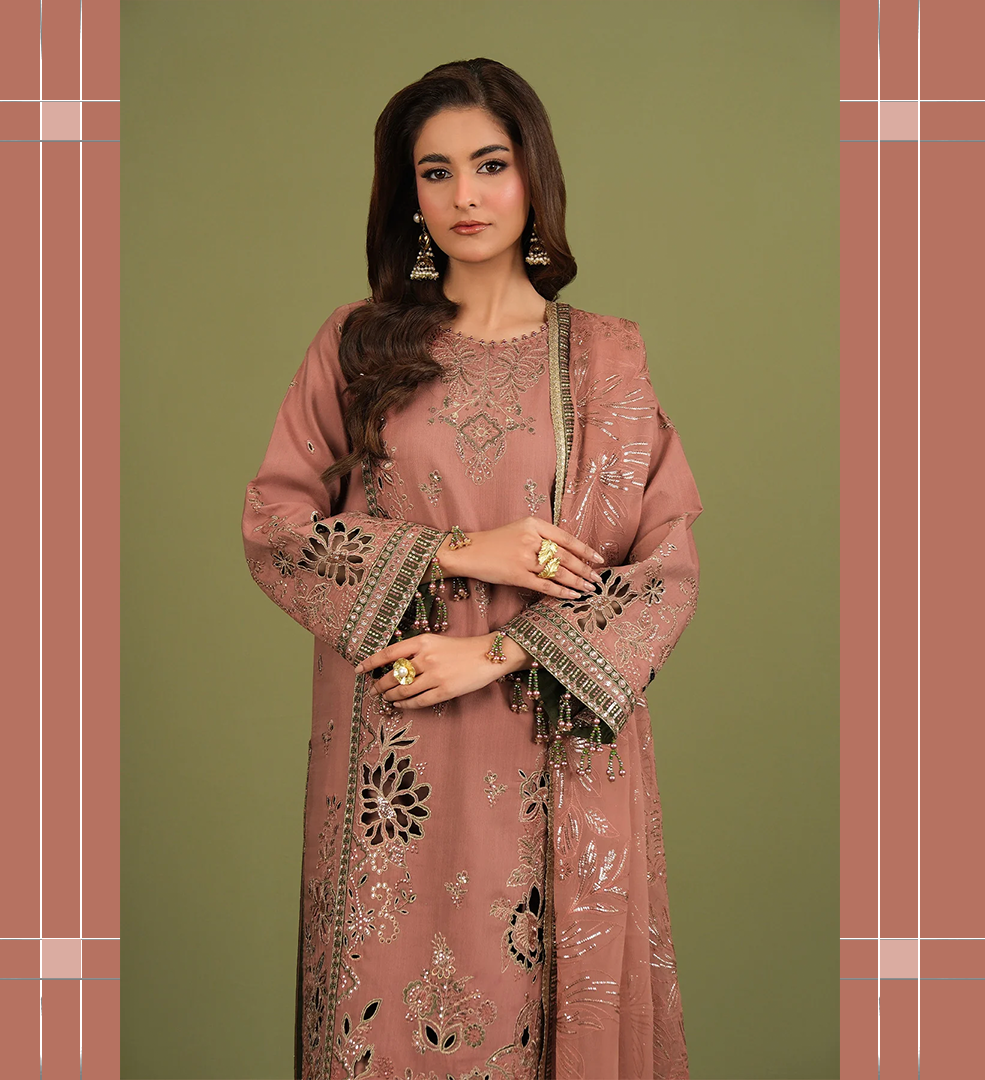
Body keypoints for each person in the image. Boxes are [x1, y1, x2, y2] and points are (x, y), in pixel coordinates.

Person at [242, 57, 702, 1080]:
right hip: (393, 761)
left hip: (554, 740)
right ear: (408, 194)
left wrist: (493, 652)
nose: (465, 196)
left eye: (490, 165)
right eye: (436, 171)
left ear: (533, 175)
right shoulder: (358, 347)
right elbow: (275, 526)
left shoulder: (606, 360)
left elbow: (665, 569)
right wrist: (457, 550)